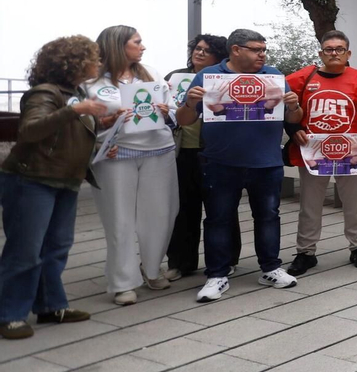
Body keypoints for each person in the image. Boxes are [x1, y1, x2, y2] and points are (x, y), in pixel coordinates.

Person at [176, 28, 303, 302]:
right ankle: (217, 275)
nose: (262, 55)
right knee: (218, 220)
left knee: (269, 217)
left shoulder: (274, 76)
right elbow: (184, 120)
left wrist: (293, 106)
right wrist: (190, 102)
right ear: (236, 50)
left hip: (266, 163)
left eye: (263, 50)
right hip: (221, 162)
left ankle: (271, 268)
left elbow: (294, 119)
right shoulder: (209, 77)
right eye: (256, 49)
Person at [1, 36, 112, 339]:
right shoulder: (45, 93)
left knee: (56, 247)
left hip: (65, 178)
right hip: (31, 179)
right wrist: (75, 111)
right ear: (74, 62)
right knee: (25, 250)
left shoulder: (75, 92)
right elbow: (31, 129)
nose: (98, 63)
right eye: (93, 57)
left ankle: (50, 306)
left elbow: (70, 131)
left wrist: (104, 124)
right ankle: (10, 314)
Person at [87, 25, 179, 306]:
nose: (143, 46)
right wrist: (100, 128)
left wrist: (167, 111)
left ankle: (152, 269)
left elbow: (172, 108)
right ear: (118, 46)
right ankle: (123, 282)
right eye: (137, 42)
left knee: (161, 214)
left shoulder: (151, 72)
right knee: (120, 219)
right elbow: (81, 121)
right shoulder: (91, 81)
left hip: (158, 151)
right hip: (115, 155)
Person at [284, 31, 357, 275]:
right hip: (313, 152)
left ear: (348, 54)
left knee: (354, 202)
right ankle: (306, 251)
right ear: (320, 53)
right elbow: (284, 107)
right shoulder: (301, 78)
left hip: (350, 151)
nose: (334, 53)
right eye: (329, 49)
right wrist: (294, 130)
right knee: (310, 204)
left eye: (339, 49)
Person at [164, 33, 230, 279]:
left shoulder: (224, 78)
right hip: (181, 151)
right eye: (198, 48)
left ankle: (226, 260)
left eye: (207, 50)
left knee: (221, 209)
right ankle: (181, 263)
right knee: (182, 210)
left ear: (219, 56)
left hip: (214, 151)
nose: (200, 53)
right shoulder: (173, 76)